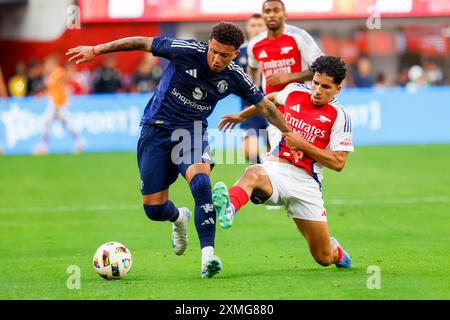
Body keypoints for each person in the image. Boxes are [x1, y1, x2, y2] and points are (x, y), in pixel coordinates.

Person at [66, 21, 292, 278]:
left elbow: (266, 106)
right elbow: (141, 42)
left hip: (191, 133)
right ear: (209, 43)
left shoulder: (235, 76)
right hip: (156, 130)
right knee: (154, 210)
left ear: (235, 54)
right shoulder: (185, 50)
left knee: (201, 183)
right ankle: (178, 218)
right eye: (214, 51)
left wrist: (289, 134)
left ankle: (208, 257)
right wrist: (97, 49)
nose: (217, 59)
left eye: (225, 55)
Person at [212, 56, 353, 269]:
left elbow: (339, 162)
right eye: (315, 83)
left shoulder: (340, 116)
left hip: (306, 184)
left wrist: (303, 144)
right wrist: (241, 117)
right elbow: (268, 101)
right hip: (275, 171)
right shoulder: (294, 91)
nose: (317, 90)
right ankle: (229, 208)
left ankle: (337, 252)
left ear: (338, 89)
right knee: (253, 173)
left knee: (323, 257)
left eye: (325, 87)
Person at [247, 0, 324, 154]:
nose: (272, 15)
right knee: (277, 156)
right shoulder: (255, 44)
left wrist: (288, 77)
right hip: (273, 110)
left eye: (276, 10)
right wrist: (255, 93)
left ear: (285, 14)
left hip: (300, 108)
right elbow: (252, 70)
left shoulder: (299, 36)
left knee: (297, 157)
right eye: (268, 11)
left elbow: (322, 67)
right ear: (263, 16)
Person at [34, 54, 84, 155]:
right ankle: (79, 142)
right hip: (56, 102)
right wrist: (42, 95)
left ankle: (43, 147)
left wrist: (65, 98)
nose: (46, 65)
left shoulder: (58, 72)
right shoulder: (52, 75)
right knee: (65, 124)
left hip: (57, 103)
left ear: (53, 63)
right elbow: (53, 89)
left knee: (47, 122)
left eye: (48, 63)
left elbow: (64, 83)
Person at [234, 13, 268, 164]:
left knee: (274, 151)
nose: (257, 29)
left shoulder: (273, 51)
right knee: (249, 151)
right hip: (249, 109)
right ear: (247, 28)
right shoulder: (239, 52)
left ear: (266, 27)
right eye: (253, 25)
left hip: (272, 107)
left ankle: (271, 179)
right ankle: (261, 168)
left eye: (260, 25)